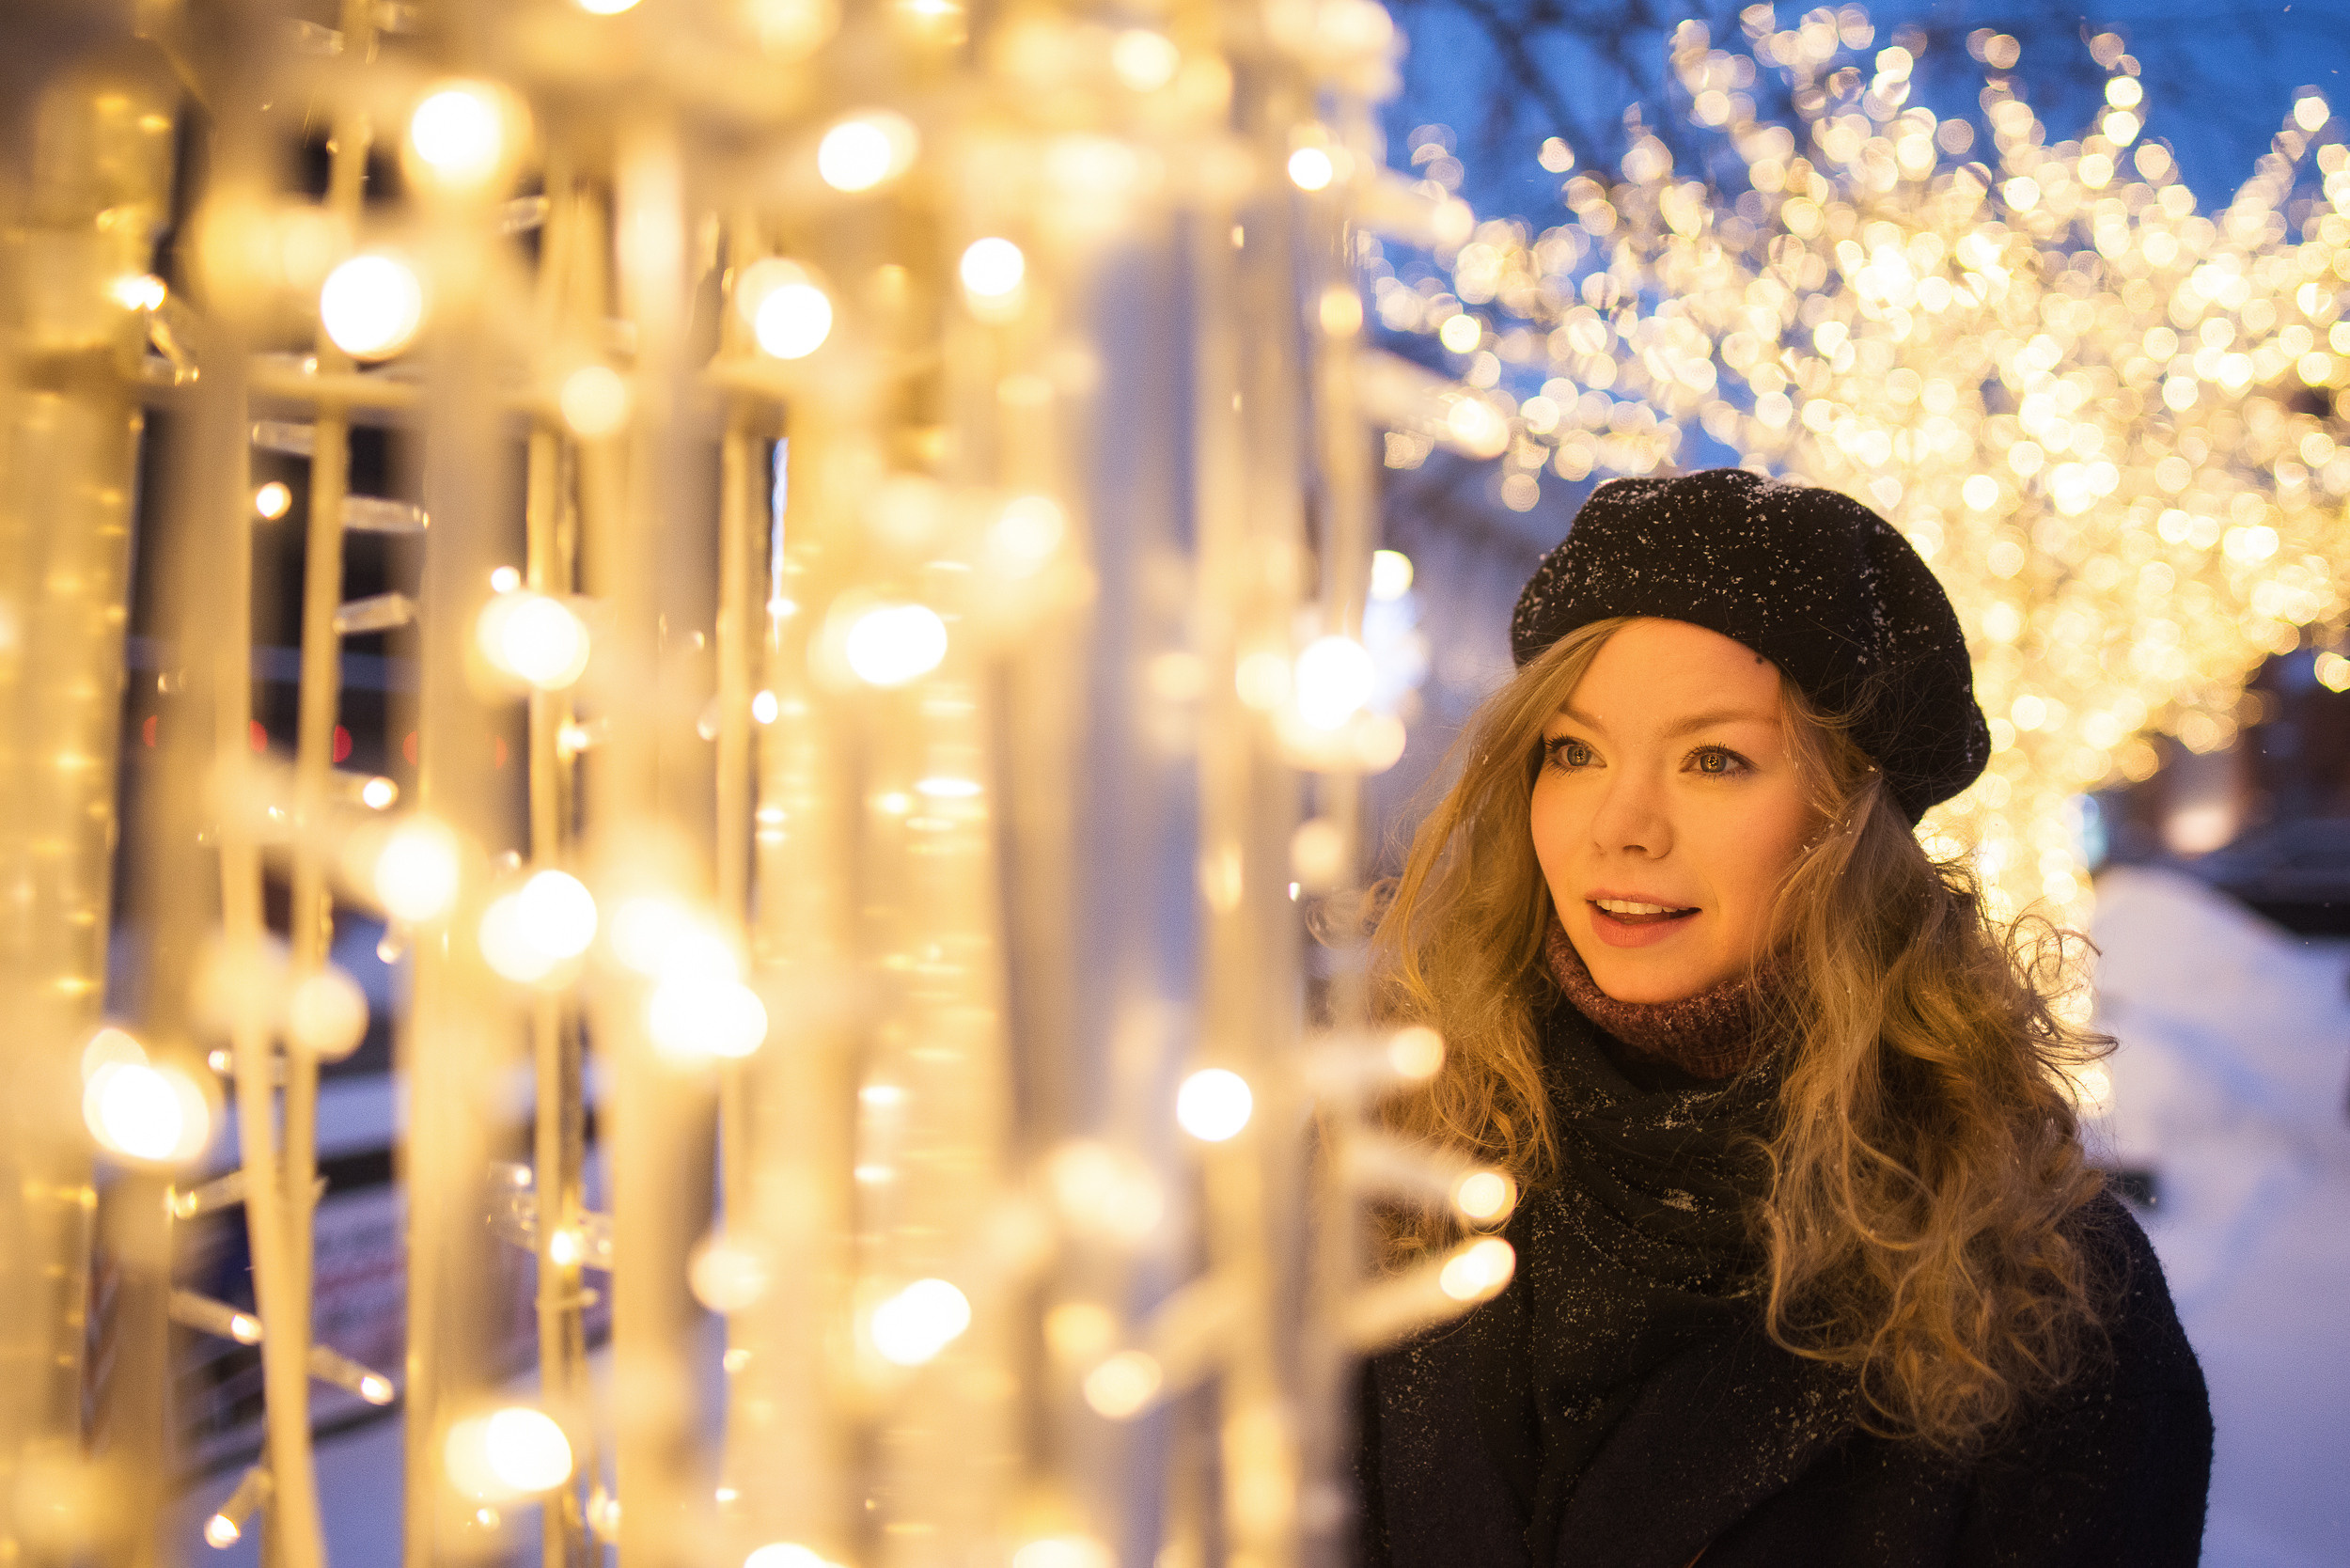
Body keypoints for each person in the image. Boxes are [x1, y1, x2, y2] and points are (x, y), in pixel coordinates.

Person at [1353, 470, 2212, 1567]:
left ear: (1852, 820)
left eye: (1715, 759)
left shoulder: (2042, 1294)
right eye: (1573, 752)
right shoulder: (1397, 1174)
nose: (1620, 825)